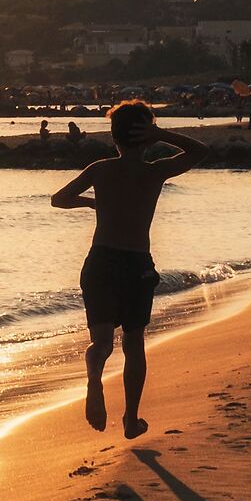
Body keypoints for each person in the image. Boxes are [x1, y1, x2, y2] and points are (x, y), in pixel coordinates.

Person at [51, 100, 208, 437]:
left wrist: (93, 201)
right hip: (135, 263)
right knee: (133, 343)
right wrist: (160, 134)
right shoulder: (155, 171)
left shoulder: (100, 169)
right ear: (147, 137)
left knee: (102, 344)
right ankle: (130, 419)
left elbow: (58, 199)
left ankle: (94, 377)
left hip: (101, 262)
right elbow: (199, 151)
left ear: (114, 138)